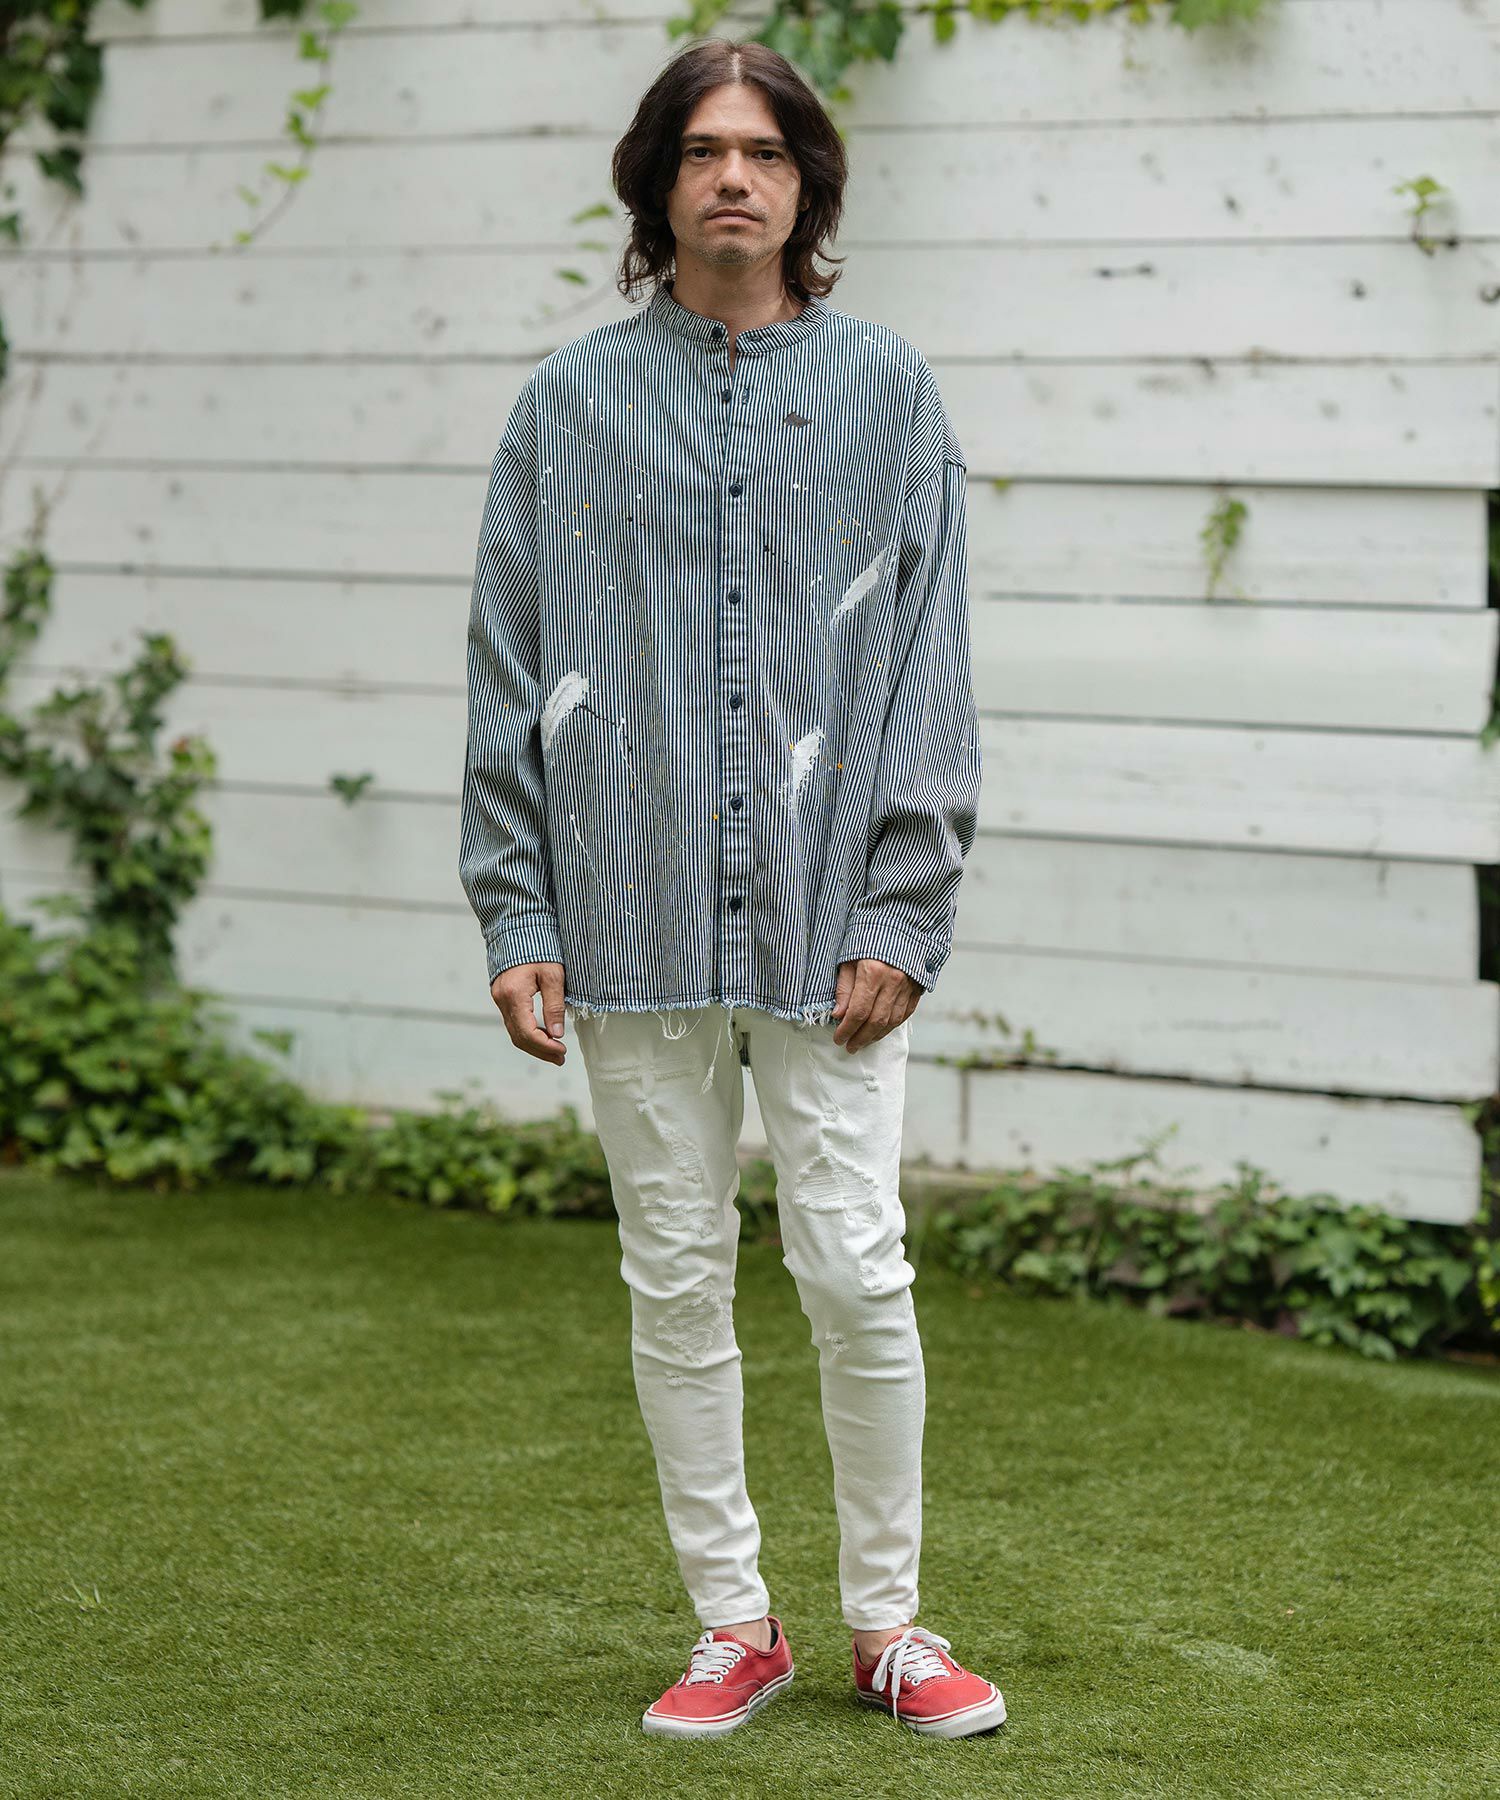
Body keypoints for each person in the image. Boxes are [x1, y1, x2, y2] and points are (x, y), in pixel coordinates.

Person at [458, 35, 1002, 1742]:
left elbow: (932, 665)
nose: (734, 178)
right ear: (658, 182)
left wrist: (906, 908)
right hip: (623, 909)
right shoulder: (565, 409)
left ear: (807, 184)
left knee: (855, 1269)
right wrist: (517, 909)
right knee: (676, 1275)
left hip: (835, 917)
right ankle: (731, 1625)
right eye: (703, 150)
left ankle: (890, 1627)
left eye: (764, 151)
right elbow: (507, 664)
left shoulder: (890, 393)